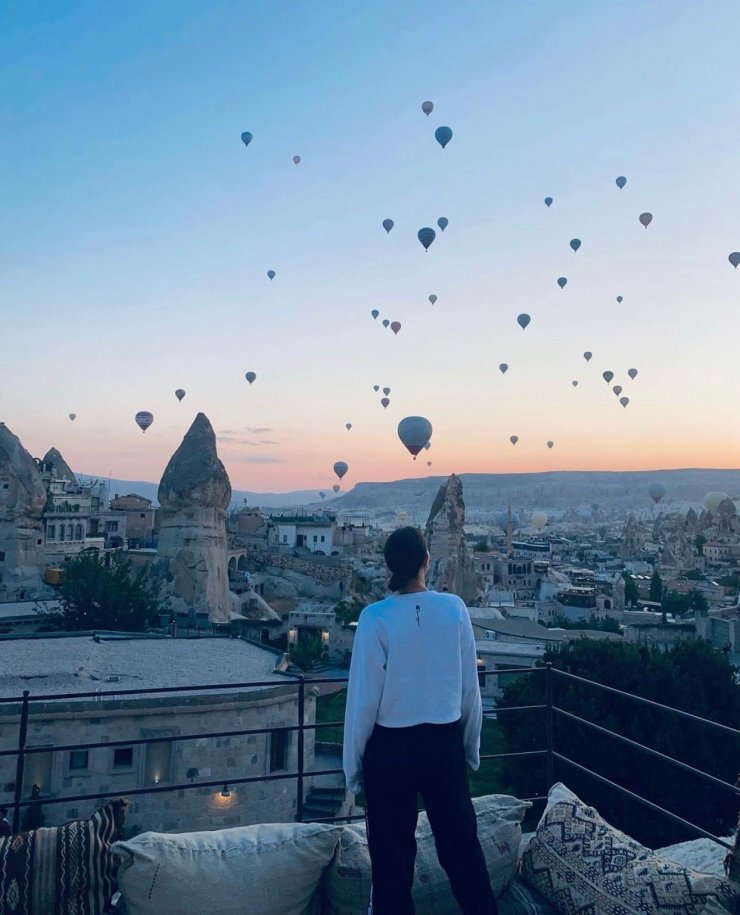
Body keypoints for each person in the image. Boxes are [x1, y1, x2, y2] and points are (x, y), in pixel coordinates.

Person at [343, 526, 497, 915]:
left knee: (391, 862)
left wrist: (352, 770)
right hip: (443, 745)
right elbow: (469, 691)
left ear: (388, 566)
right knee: (463, 851)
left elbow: (362, 700)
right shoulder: (454, 609)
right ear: (427, 561)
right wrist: (470, 750)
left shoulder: (374, 617)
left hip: (389, 750)